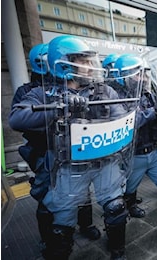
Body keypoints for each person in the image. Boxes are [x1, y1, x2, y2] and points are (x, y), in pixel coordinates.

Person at [9, 35, 134, 259]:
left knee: (115, 208)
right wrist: (58, 109)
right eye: (83, 61)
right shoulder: (43, 92)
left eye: (89, 61)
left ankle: (118, 251)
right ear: (65, 64)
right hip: (67, 167)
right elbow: (17, 118)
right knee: (62, 221)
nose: (90, 67)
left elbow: (122, 120)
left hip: (102, 160)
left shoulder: (103, 91)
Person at [11, 42, 101, 253]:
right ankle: (48, 235)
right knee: (46, 197)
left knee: (83, 192)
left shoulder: (79, 87)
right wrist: (57, 111)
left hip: (76, 151)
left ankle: (85, 224)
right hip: (47, 152)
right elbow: (18, 119)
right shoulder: (33, 91)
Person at [114, 54, 157, 241]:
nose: (144, 78)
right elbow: (129, 122)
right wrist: (154, 112)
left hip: (154, 151)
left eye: (145, 74)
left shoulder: (149, 94)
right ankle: (119, 235)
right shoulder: (117, 98)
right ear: (124, 76)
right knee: (120, 198)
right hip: (132, 156)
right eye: (138, 75)